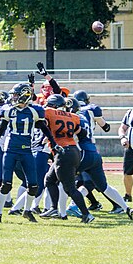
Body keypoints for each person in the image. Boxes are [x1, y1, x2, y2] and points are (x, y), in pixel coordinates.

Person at [0, 83, 60, 223]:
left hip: (27, 150)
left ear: (24, 95)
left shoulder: (35, 111)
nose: (13, 97)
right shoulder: (8, 110)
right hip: (11, 150)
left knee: (33, 185)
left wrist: (54, 144)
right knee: (6, 183)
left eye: (15, 94)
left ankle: (26, 211)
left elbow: (45, 130)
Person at [67, 96, 133, 220]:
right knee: (99, 185)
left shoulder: (73, 117)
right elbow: (106, 127)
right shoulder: (90, 111)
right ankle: (125, 207)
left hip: (79, 151)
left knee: (62, 179)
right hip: (93, 151)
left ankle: (61, 210)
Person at [41, 95, 93, 223]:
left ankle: (87, 214)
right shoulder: (74, 116)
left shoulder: (49, 112)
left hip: (62, 152)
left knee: (69, 188)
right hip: (74, 150)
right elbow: (82, 133)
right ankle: (53, 208)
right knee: (49, 179)